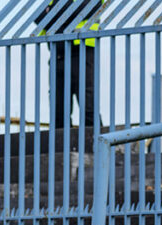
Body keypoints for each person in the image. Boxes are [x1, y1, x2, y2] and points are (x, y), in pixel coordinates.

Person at [36, 0, 104, 150]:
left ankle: (97, 148)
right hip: (58, 54)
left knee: (88, 105)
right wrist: (61, 13)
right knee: (58, 108)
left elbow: (85, 8)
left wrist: (53, 12)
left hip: (82, 50)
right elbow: (39, 17)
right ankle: (61, 150)